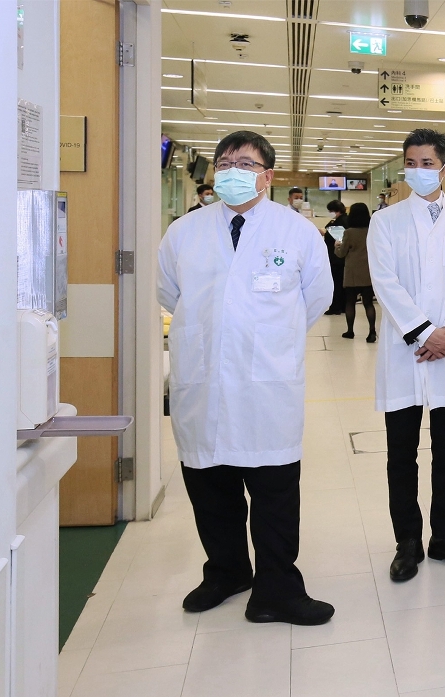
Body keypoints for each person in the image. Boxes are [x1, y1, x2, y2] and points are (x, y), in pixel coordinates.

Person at [157, 130, 336, 626]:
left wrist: (268, 339)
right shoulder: (184, 232)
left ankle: (277, 589)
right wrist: (219, 330)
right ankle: (227, 572)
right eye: (225, 162)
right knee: (210, 489)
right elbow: (169, 293)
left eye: (246, 163)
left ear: (268, 175)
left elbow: (317, 297)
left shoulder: (296, 231)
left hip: (268, 385)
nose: (233, 171)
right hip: (203, 380)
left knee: (274, 491)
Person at [370, 129, 445, 582]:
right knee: (401, 453)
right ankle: (407, 542)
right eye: (411, 163)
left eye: (427, 163)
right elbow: (385, 282)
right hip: (406, 353)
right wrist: (424, 332)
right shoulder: (387, 222)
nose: (418, 170)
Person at [335, 203, 376, 342]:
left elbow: (341, 253)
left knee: (350, 302)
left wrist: (337, 246)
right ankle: (372, 331)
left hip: (352, 272)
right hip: (368, 270)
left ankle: (350, 331)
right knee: (368, 303)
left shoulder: (349, 232)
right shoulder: (372, 231)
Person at [323, 199, 348, 315]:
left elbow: (333, 236)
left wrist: (325, 233)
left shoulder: (340, 222)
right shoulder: (344, 219)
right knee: (342, 283)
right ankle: (343, 306)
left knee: (336, 283)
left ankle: (336, 307)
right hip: (343, 257)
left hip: (336, 257)